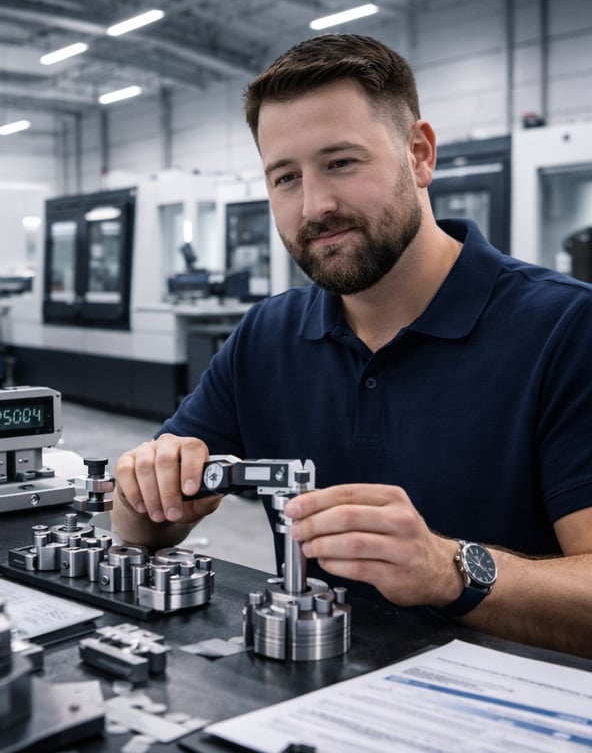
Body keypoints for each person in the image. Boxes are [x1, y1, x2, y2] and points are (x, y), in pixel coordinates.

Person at [113, 33, 592, 658]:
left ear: (419, 154)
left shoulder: (566, 330)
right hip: (309, 698)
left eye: (341, 162)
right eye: (286, 177)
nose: (315, 206)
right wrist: (148, 495)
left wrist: (449, 570)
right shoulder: (266, 337)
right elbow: (137, 528)